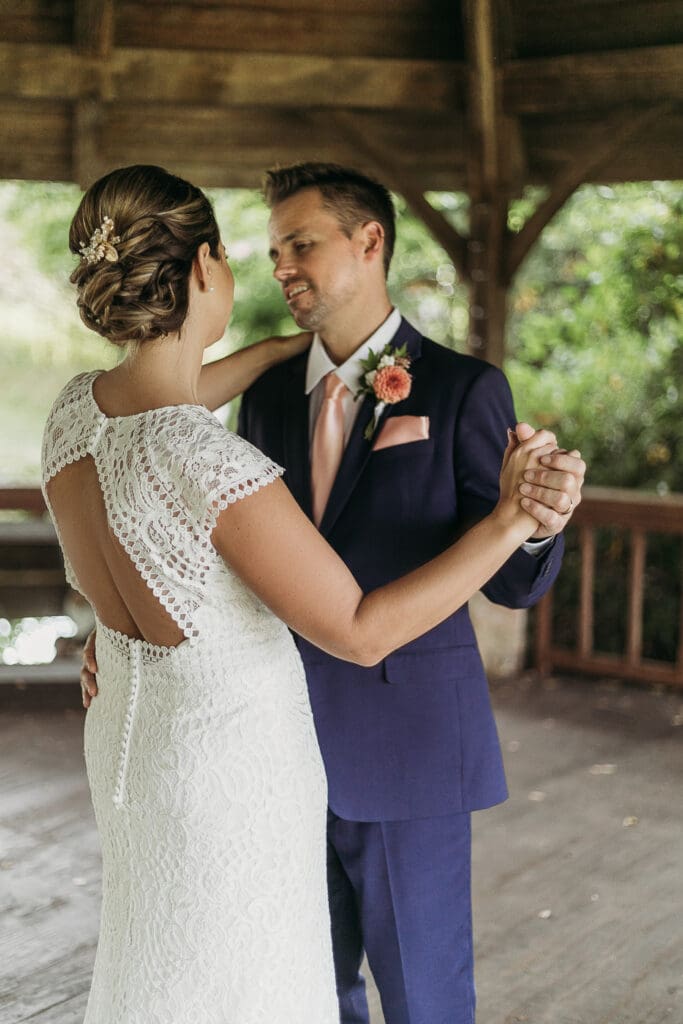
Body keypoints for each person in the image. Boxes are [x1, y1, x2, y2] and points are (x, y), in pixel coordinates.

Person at [47, 163, 563, 1024]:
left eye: (301, 244)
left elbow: (511, 582)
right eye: (267, 248)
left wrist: (531, 525)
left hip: (375, 750)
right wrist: (511, 515)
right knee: (285, 988)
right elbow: (329, 613)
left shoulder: (460, 388)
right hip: (251, 763)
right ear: (204, 270)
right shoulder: (235, 431)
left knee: (403, 997)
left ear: (371, 243)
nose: (281, 266)